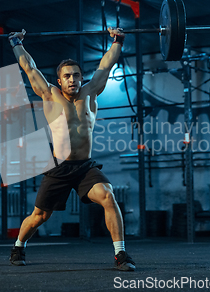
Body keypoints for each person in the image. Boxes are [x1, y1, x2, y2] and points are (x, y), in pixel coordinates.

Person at [7, 27, 135, 271]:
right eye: (67, 76)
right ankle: (19, 245)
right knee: (40, 217)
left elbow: (105, 66)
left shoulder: (90, 92)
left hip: (85, 167)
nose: (73, 79)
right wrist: (16, 42)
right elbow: (29, 68)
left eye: (76, 75)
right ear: (59, 80)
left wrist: (118, 40)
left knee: (108, 196)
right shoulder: (49, 95)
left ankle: (121, 255)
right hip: (59, 166)